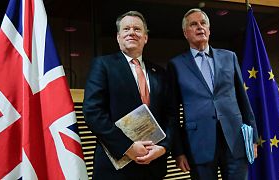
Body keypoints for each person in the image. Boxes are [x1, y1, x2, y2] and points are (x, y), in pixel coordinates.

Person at [83, 11, 176, 180]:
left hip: (153, 165)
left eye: (137, 29)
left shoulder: (160, 73)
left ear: (145, 38)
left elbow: (171, 116)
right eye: (126, 29)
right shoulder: (103, 65)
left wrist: (163, 147)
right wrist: (128, 147)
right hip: (115, 167)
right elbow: (92, 113)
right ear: (118, 37)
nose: (132, 32)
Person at [167, 8, 258, 180]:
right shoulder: (176, 65)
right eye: (194, 24)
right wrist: (178, 152)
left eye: (203, 23)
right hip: (198, 145)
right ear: (186, 33)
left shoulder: (229, 57)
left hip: (235, 141)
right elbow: (172, 113)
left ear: (209, 30)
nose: (200, 27)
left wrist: (252, 138)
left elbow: (243, 100)